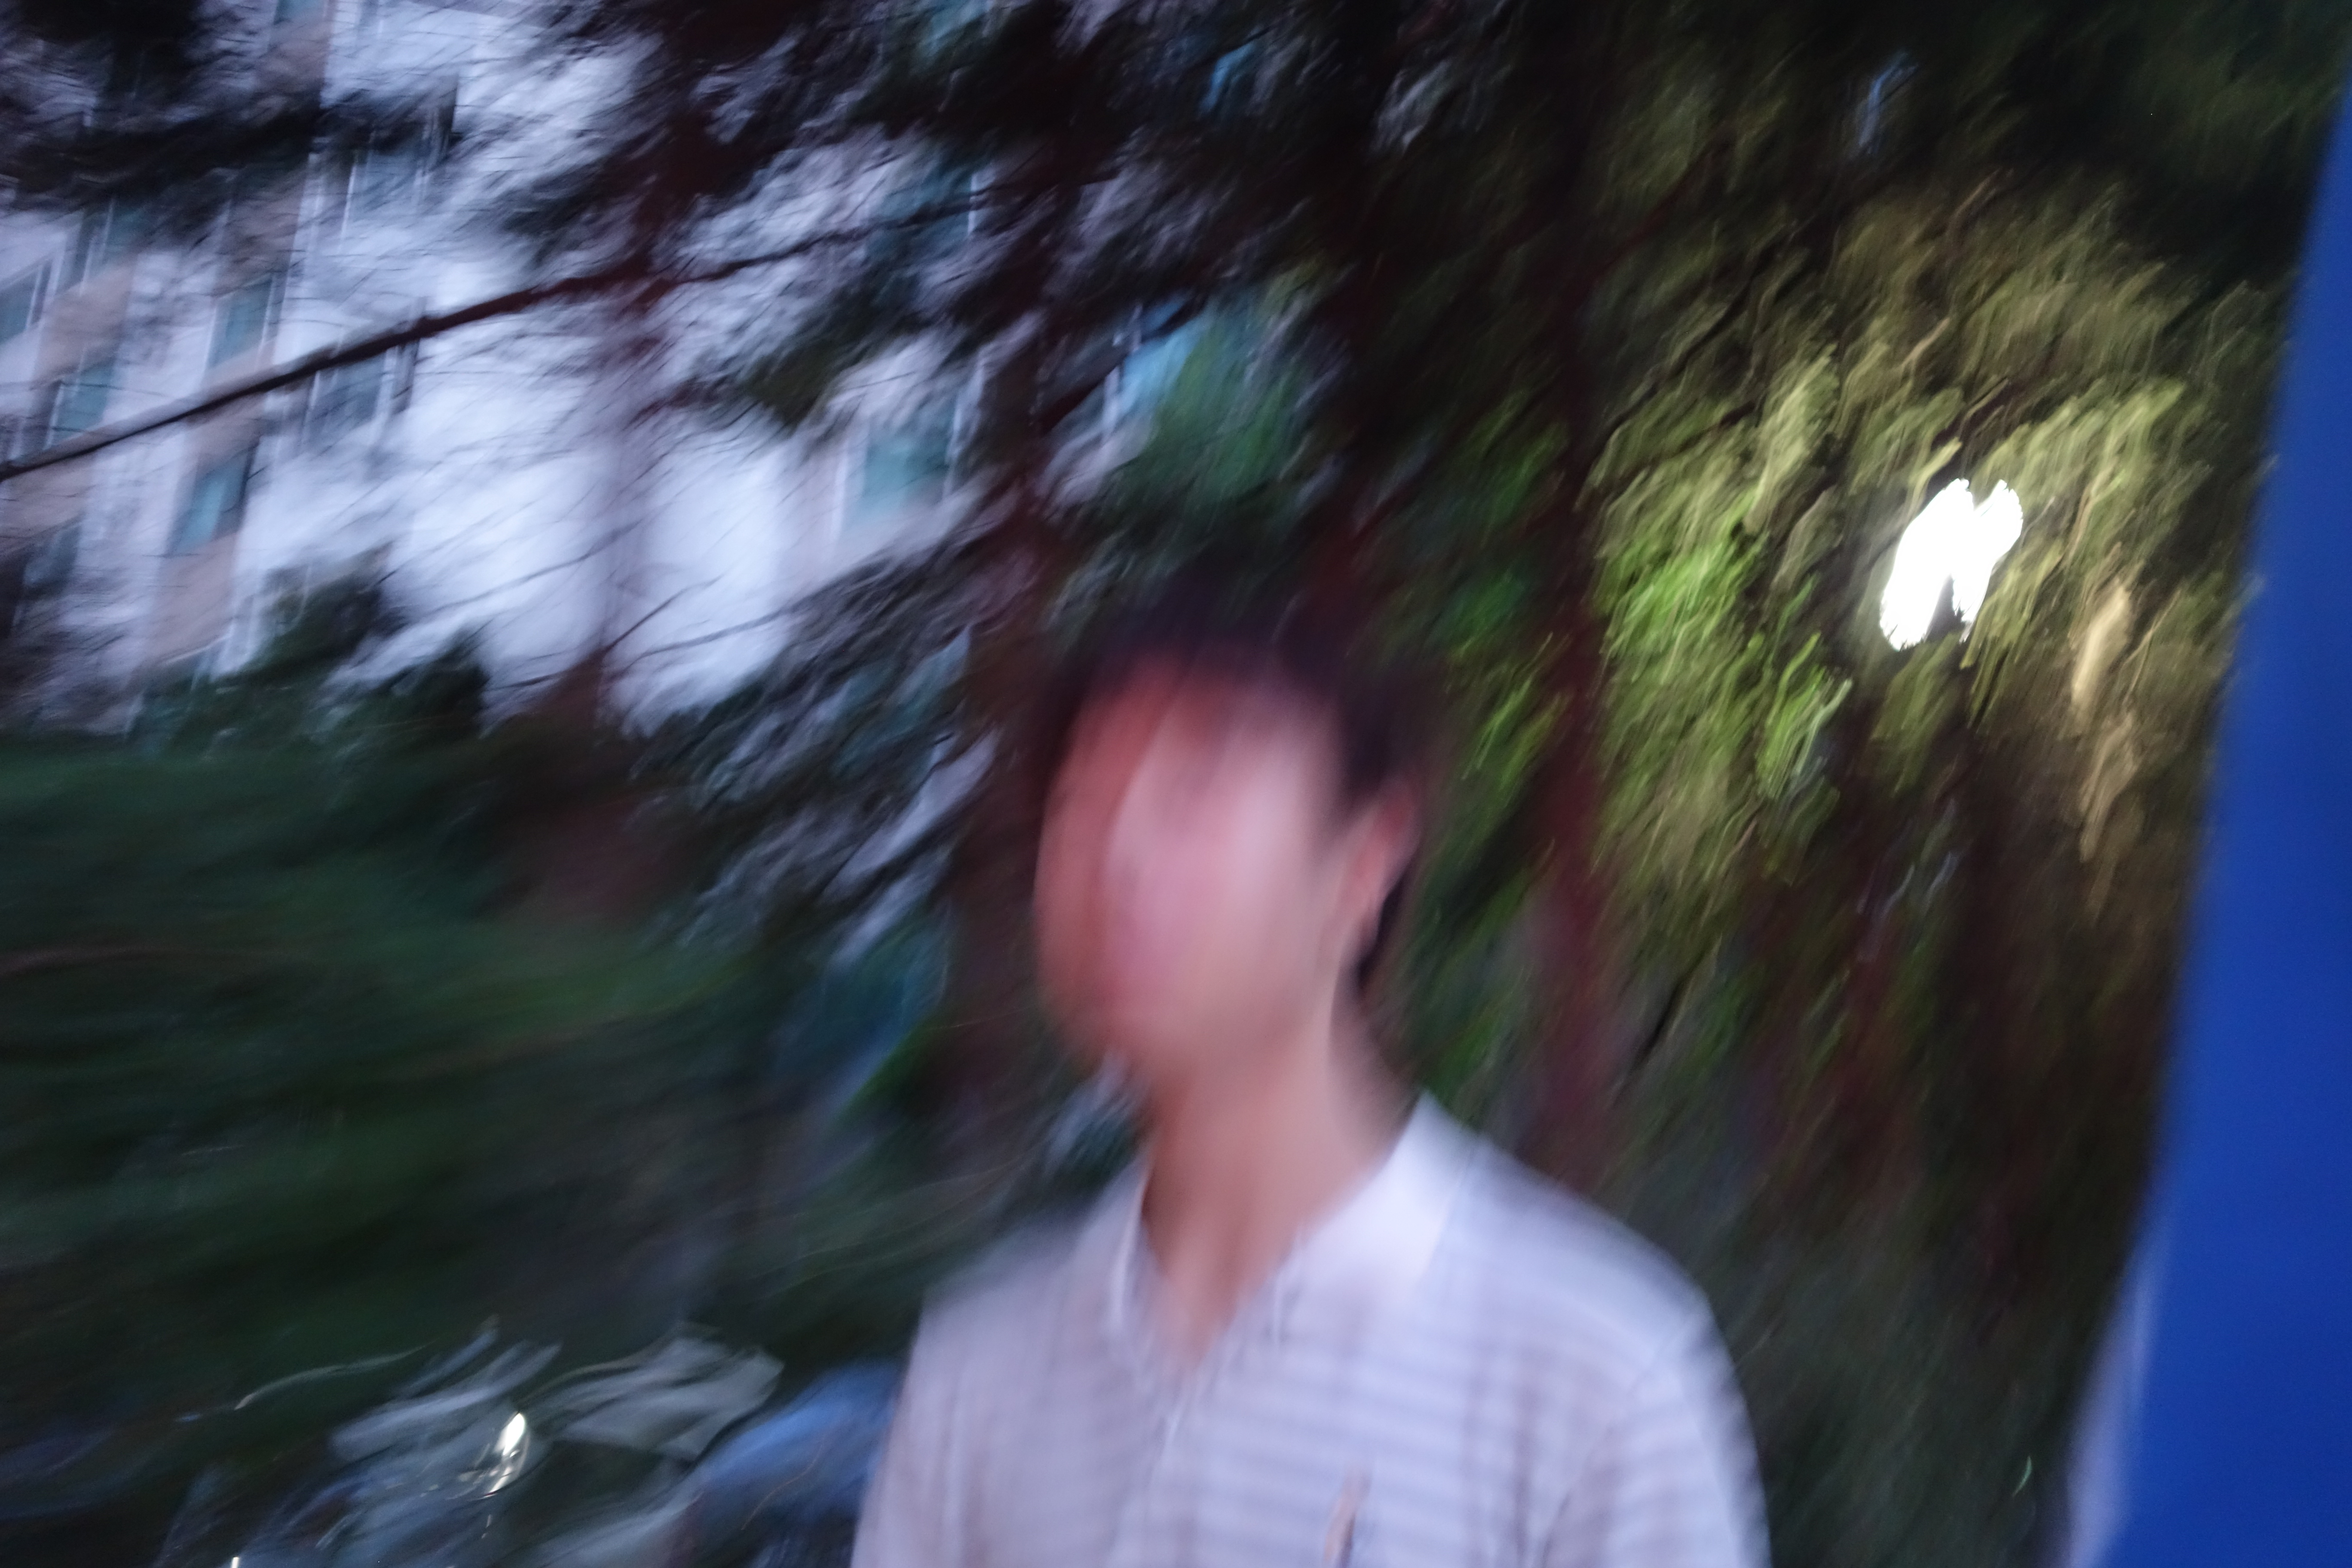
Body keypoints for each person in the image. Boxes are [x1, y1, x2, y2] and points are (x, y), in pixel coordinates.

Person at [851, 582, 1769, 1568]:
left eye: (1193, 794)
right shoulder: (977, 1374)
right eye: (1081, 805)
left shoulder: (1594, 1378)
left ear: (1364, 863)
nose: (1117, 857)